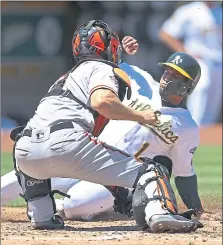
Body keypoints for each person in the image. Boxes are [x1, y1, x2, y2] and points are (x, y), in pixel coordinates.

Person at [11, 20, 201, 232]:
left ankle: (42, 215)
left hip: (33, 148)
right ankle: (159, 213)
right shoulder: (123, 74)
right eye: (167, 71)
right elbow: (104, 95)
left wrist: (197, 208)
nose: (167, 77)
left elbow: (185, 172)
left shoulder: (70, 75)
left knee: (59, 192)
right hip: (77, 148)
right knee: (151, 171)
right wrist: (139, 115)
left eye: (176, 75)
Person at [159, 1, 222, 126]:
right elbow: (166, 33)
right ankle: (194, 125)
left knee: (215, 97)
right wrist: (185, 53)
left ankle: (206, 133)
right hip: (199, 60)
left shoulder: (220, 11)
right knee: (202, 87)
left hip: (219, 60)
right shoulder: (189, 10)